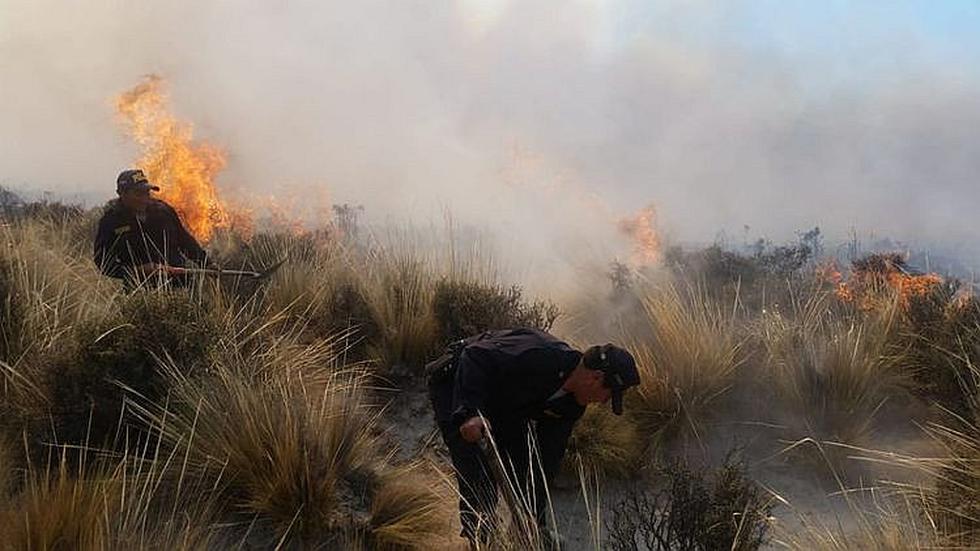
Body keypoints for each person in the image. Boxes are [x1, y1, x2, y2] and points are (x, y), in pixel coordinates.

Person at [427, 327, 640, 547]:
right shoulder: (541, 357)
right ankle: (481, 542)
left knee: (523, 464)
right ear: (596, 378)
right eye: (608, 395)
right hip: (459, 379)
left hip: (506, 403)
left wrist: (533, 515)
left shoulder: (571, 406)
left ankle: (525, 535)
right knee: (479, 477)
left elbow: (546, 461)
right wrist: (469, 412)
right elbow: (474, 356)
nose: (604, 402)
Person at [93, 169, 209, 286]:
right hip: (140, 288)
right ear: (122, 193)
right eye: (138, 193)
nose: (144, 199)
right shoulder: (111, 221)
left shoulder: (163, 211)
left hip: (180, 284)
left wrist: (207, 264)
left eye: (147, 193)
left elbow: (185, 241)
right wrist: (138, 270)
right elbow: (103, 261)